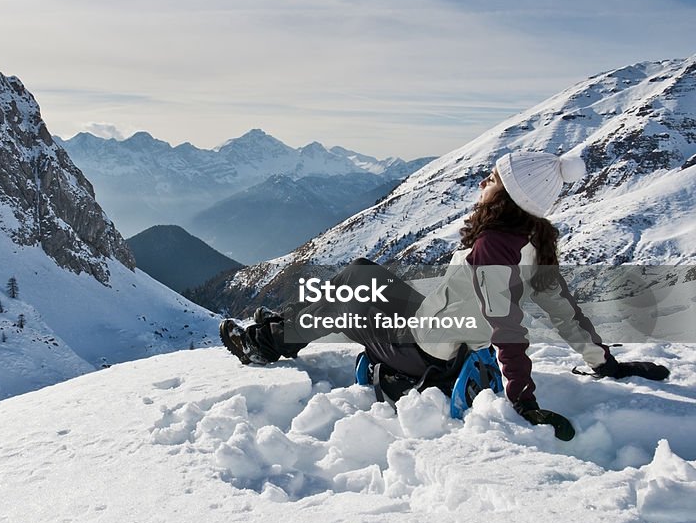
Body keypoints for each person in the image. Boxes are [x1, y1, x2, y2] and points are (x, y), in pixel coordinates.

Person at [220, 151, 670, 441]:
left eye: (491, 178)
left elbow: (506, 326)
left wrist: (523, 399)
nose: (482, 184)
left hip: (423, 350)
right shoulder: (532, 238)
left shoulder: (494, 245)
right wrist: (603, 361)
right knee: (361, 274)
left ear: (508, 194)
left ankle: (266, 343)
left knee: (344, 293)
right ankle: (281, 324)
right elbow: (564, 313)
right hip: (440, 330)